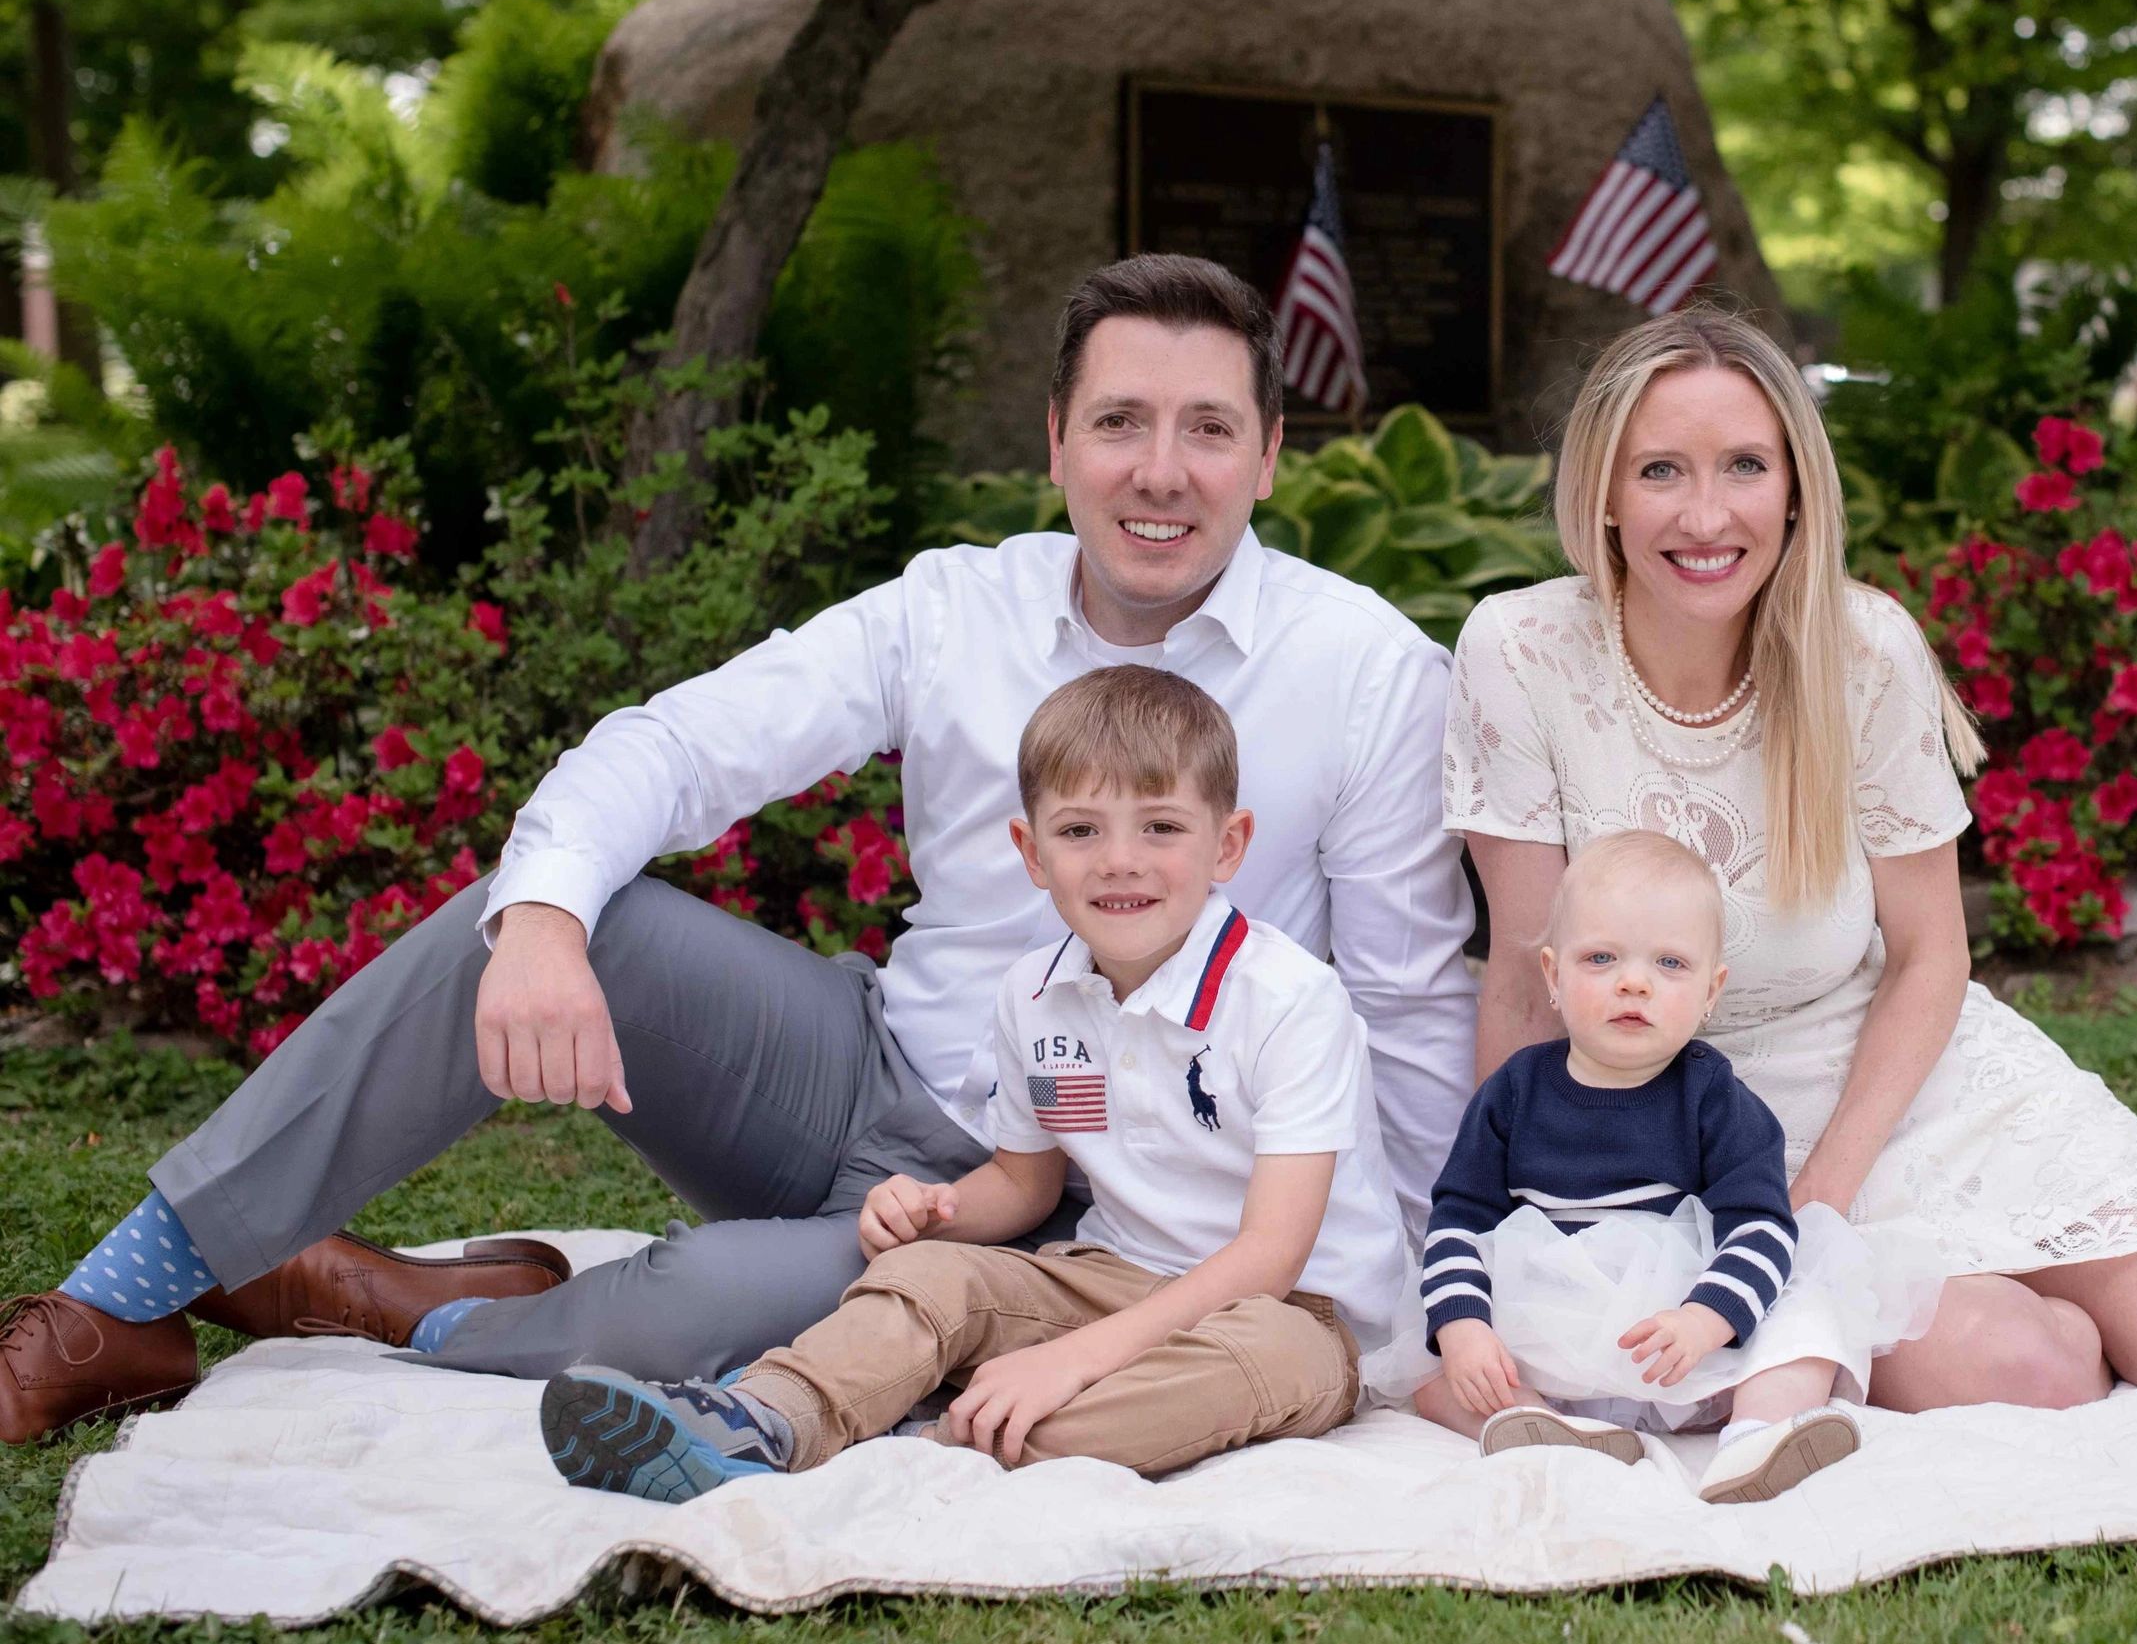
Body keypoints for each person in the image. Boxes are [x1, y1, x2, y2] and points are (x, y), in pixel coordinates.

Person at [0, 255, 1477, 1445]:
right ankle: (113, 1303)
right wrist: (545, 925)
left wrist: (1393, 1306)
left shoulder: (1362, 671)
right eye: (1121, 422)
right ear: (1056, 441)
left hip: (1080, 1192)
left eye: (1209, 428)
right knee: (545, 907)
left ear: (1272, 455)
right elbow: (683, 745)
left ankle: (395, 1310)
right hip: (858, 1071)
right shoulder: (951, 607)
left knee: (685, 1311)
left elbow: (1406, 1005)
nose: (1162, 471)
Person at [1443, 303, 2137, 1417]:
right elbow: (1527, 977)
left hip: (1889, 1082)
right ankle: (2036, 1296)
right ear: (1603, 492)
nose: (1706, 514)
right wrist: (1519, 1240)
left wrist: (1826, 1198)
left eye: (1745, 466)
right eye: (1660, 469)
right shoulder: (1519, 653)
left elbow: (1926, 958)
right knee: (2029, 1371)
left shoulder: (1860, 649)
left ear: (1796, 488)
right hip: (1664, 1120)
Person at [538, 666, 1403, 1496]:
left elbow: (1269, 1254)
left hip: (1290, 1311)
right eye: (1080, 830)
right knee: (935, 1276)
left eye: (1162, 828)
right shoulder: (1034, 995)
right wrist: (932, 1210)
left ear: (1230, 844)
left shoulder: (1288, 1000)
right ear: (1032, 851)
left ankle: (949, 1434)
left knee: (1245, 1371)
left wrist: (1076, 1356)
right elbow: (1023, 1186)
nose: (1119, 860)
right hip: (1113, 1272)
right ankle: (763, 1418)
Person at [1365, 831, 1934, 1504]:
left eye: (1669, 963)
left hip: (1681, 1342)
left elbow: (1760, 1225)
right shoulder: (1515, 1092)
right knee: (1431, 1367)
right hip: (1552, 1333)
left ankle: (1755, 1434)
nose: (1633, 981)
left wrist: (1705, 1318)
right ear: (1552, 975)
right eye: (1601, 957)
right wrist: (1465, 1330)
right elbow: (1459, 1219)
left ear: (1709, 990)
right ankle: (1538, 1424)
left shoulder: (1712, 1096)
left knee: (1810, 1306)